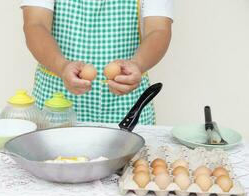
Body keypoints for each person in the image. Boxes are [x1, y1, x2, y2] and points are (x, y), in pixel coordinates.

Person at [21, 0, 173, 124]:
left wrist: (138, 65)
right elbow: (35, 24)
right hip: (57, 104)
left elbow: (158, 29)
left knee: (130, 160)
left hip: (126, 105)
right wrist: (62, 67)